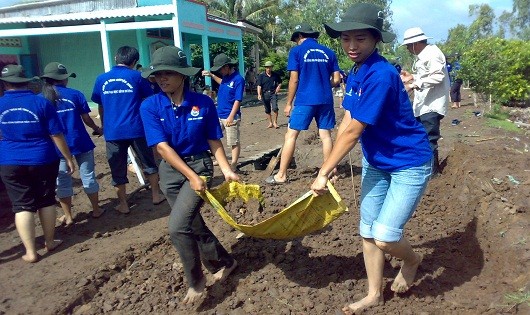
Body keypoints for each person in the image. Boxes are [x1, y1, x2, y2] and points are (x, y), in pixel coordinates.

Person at [311, 3, 433, 314]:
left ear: (376, 40)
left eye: (360, 39)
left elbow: (354, 131)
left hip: (408, 162)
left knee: (385, 235)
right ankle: (374, 293)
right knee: (367, 230)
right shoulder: (355, 72)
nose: (352, 46)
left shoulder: (381, 74)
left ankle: (412, 259)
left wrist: (325, 170)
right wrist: (332, 162)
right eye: (346, 39)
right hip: (377, 162)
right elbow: (347, 120)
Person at [139, 46, 239, 304]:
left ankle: (196, 282)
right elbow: (161, 147)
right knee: (191, 223)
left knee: (176, 227)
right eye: (158, 74)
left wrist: (226, 170)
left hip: (200, 165)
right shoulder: (150, 106)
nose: (162, 79)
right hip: (170, 172)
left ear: (182, 75)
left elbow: (213, 140)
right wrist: (189, 177)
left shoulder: (203, 102)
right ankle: (224, 262)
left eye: (168, 73)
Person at [0, 64, 76, 263]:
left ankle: (30, 251)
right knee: (46, 200)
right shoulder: (41, 103)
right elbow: (56, 134)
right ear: (25, 81)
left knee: (21, 206)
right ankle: (49, 242)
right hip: (42, 158)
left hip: (9, 160)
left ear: (5, 84)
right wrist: (67, 157)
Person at [91, 46, 165, 214]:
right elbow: (149, 100)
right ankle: (155, 195)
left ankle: (123, 204)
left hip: (113, 132)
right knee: (149, 163)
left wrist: (103, 125)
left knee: (117, 169)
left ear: (116, 58)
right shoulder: (138, 77)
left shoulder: (101, 79)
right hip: (136, 128)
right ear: (134, 61)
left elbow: (100, 105)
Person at [265, 23, 341, 184]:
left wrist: (288, 103)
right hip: (326, 99)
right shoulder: (329, 52)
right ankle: (329, 172)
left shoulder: (297, 51)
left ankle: (281, 175)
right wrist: (324, 83)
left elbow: (294, 79)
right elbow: (336, 79)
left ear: (300, 37)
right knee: (326, 136)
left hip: (305, 99)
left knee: (291, 135)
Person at [40, 62, 104, 225]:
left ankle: (68, 215)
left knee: (62, 181)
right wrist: (97, 128)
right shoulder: (75, 94)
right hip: (80, 141)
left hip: (56, 147)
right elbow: (86, 119)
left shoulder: (40, 99)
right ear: (63, 79)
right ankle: (96, 210)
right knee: (88, 176)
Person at [400, 27, 450, 176]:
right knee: (422, 136)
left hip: (432, 105)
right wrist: (413, 77)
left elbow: (437, 77)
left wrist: (414, 84)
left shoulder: (432, 54)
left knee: (429, 138)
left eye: (409, 45)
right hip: (425, 104)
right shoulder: (425, 55)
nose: (408, 49)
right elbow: (427, 75)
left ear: (416, 43)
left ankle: (432, 172)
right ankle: (426, 169)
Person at [202, 53, 245, 169]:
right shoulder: (226, 77)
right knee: (213, 137)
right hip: (219, 113)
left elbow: (238, 100)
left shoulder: (238, 79)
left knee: (233, 141)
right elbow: (223, 83)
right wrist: (211, 75)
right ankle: (219, 159)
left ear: (227, 66)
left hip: (231, 115)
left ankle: (234, 164)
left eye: (220, 69)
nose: (219, 72)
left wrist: (231, 116)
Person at [256, 60, 282, 128]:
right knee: (267, 109)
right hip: (265, 94)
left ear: (272, 67)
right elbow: (259, 85)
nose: (268, 69)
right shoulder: (261, 76)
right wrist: (259, 94)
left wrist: (278, 88)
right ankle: (270, 123)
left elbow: (280, 82)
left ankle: (275, 122)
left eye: (270, 67)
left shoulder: (275, 75)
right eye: (267, 67)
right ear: (265, 68)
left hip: (273, 93)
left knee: (275, 108)